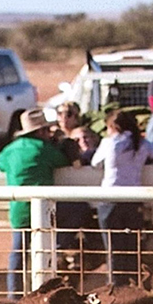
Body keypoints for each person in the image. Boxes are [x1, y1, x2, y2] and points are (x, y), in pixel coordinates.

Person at [0, 106, 73, 298]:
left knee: (18, 253)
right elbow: (64, 161)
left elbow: (0, 164)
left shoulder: (11, 149)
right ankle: (47, 292)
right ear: (40, 131)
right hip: (45, 210)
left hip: (19, 209)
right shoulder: (44, 149)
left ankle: (14, 295)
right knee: (48, 248)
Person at [92, 108, 153, 287]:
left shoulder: (109, 142)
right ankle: (133, 285)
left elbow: (95, 162)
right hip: (133, 199)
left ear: (113, 127)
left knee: (113, 248)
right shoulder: (142, 143)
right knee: (132, 247)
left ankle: (115, 286)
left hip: (110, 199)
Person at [53, 102, 100, 272]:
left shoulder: (85, 141)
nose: (64, 118)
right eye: (60, 113)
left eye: (69, 114)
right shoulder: (53, 140)